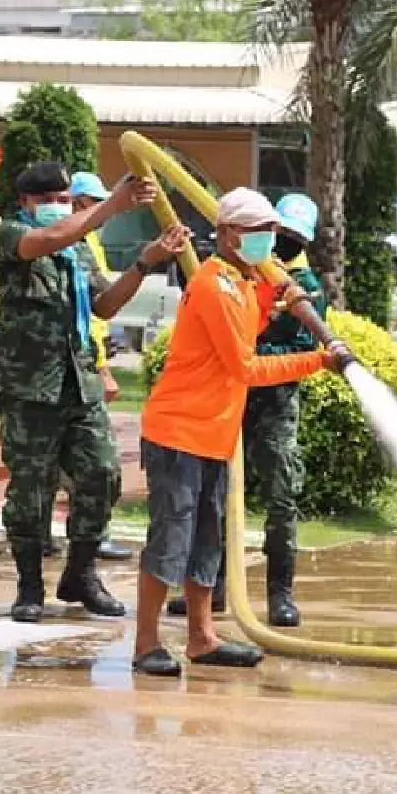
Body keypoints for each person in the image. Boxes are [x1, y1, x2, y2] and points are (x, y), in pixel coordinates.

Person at [132, 187, 352, 677]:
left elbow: (255, 309)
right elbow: (245, 367)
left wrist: (281, 295)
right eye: (258, 232)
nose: (267, 242)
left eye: (271, 232)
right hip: (178, 432)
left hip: (213, 434)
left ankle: (201, 637)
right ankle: (146, 643)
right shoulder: (214, 285)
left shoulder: (243, 281)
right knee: (171, 538)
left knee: (208, 539)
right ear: (229, 234)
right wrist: (319, 361)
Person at [0, 160, 185, 622]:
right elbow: (50, 239)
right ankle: (30, 586)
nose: (56, 207)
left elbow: (103, 305)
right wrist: (113, 206)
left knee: (102, 474)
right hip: (29, 387)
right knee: (31, 491)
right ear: (25, 203)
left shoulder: (78, 252)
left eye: (63, 199)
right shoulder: (9, 235)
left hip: (79, 383)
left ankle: (80, 573)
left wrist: (144, 263)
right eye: (47, 200)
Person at [164, 192, 330, 626]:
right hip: (230, 397)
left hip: (274, 402)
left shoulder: (306, 288)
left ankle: (280, 593)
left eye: (288, 236)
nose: (281, 243)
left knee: (280, 493)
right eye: (278, 233)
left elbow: (299, 345)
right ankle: (211, 586)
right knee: (215, 497)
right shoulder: (239, 276)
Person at [65, 170, 133, 563]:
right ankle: (87, 536)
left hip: (89, 357)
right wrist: (103, 368)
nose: (104, 211)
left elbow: (100, 309)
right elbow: (86, 317)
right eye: (95, 203)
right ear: (78, 204)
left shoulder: (90, 243)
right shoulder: (72, 241)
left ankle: (89, 535)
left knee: (89, 459)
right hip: (79, 363)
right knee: (89, 458)